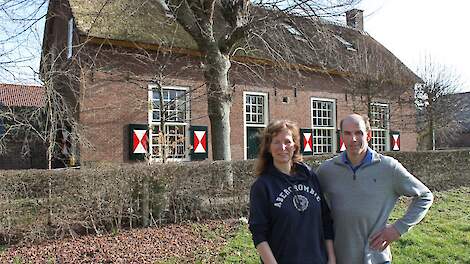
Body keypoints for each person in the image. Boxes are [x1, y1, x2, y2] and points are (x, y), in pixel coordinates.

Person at [316, 114, 434, 264]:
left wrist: (398, 229)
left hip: (376, 257)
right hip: (338, 258)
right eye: (347, 133)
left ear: (369, 135)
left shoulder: (388, 168)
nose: (353, 139)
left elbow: (425, 196)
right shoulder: (327, 170)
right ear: (341, 136)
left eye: (359, 132)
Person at [249, 120, 336, 264]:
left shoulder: (310, 177)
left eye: (287, 141)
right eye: (276, 142)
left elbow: (326, 220)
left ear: (295, 145)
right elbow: (259, 233)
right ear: (268, 148)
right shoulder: (262, 186)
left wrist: (331, 258)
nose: (282, 147)